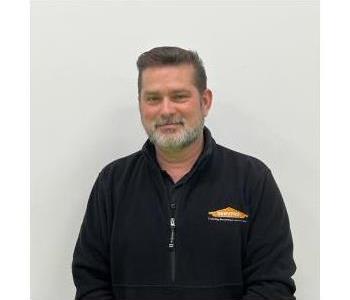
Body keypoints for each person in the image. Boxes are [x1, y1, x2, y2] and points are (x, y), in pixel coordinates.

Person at [72, 46, 296, 300]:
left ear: (205, 101)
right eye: (153, 98)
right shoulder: (112, 183)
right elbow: (90, 282)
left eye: (179, 96)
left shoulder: (253, 180)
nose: (166, 110)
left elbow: (273, 285)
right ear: (140, 104)